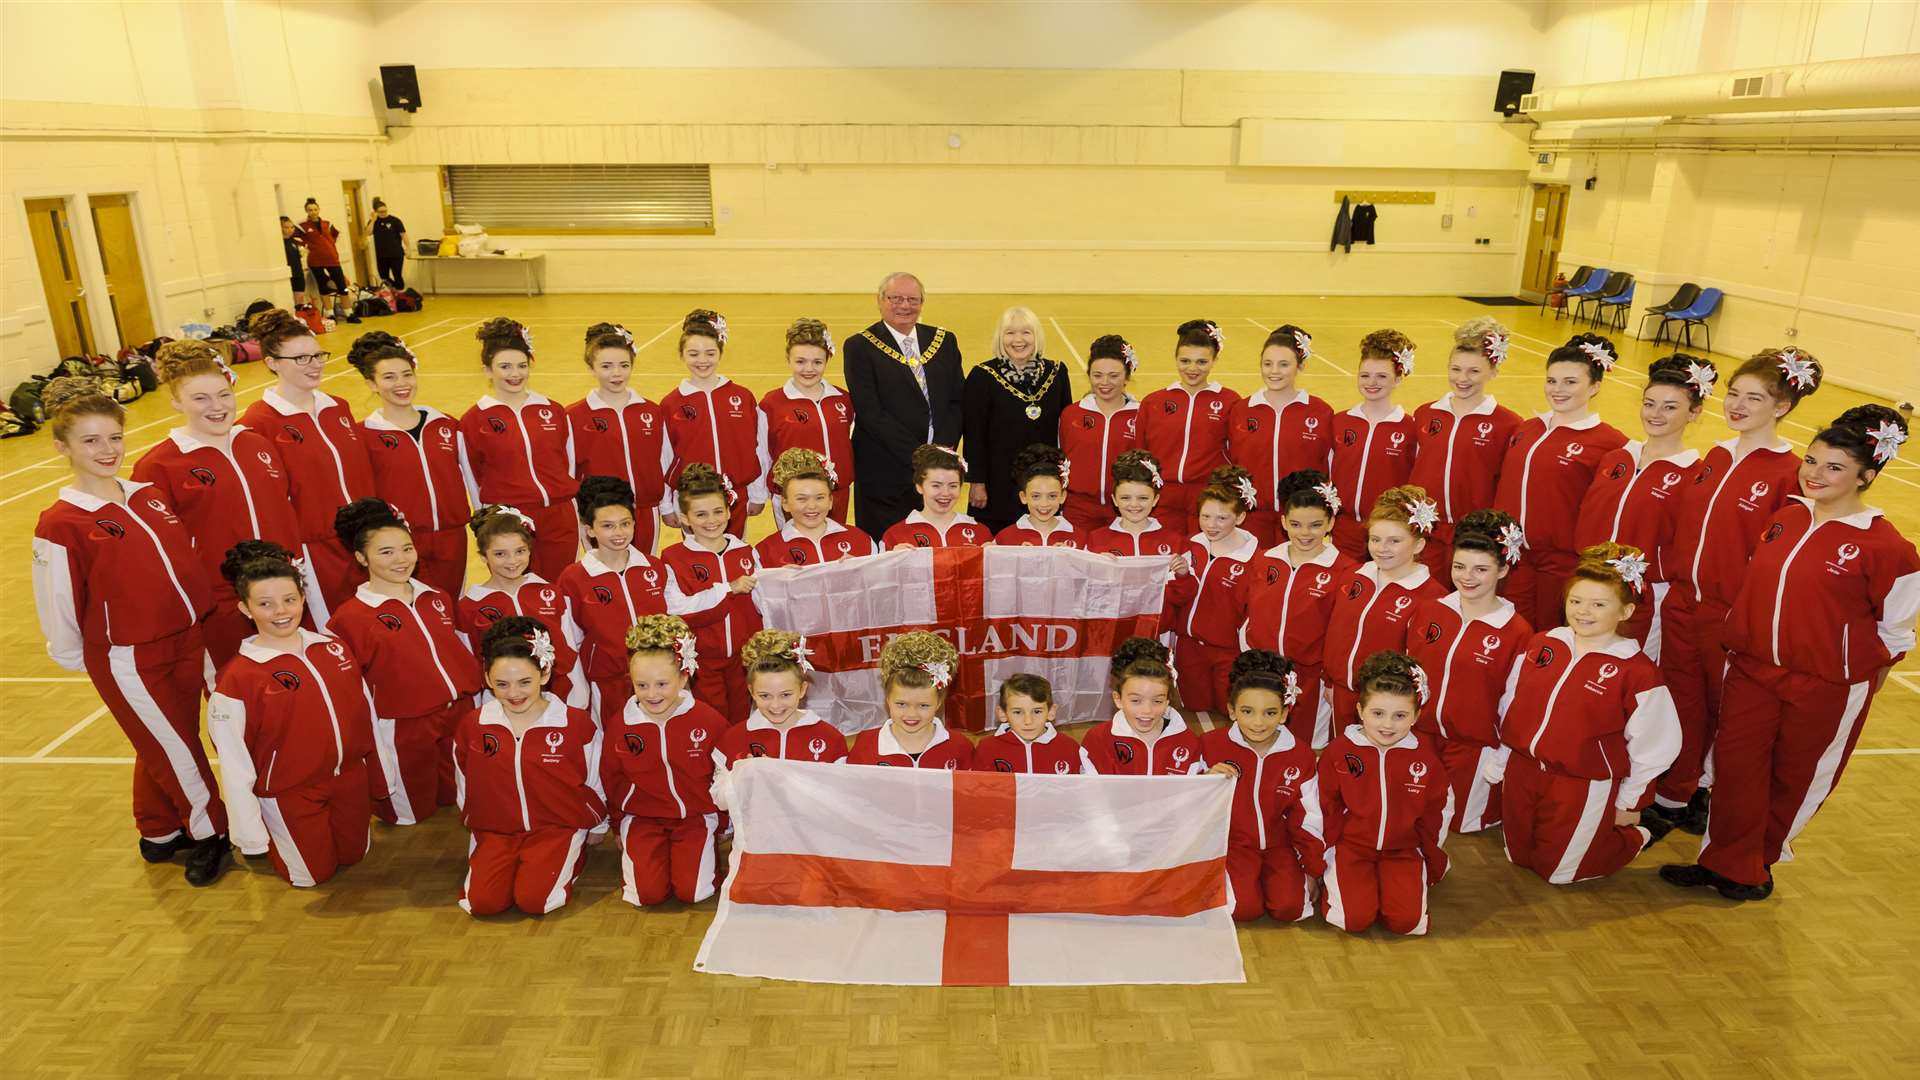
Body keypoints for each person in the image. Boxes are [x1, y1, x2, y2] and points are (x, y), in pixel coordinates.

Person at [1663, 405, 1919, 902]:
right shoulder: (1785, 516)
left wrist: (1854, 678)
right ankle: (1721, 859)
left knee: (1794, 776)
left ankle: (1757, 863)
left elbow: (1896, 631)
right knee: (1737, 769)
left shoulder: (1888, 548)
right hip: (1753, 670)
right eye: (1812, 461)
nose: (1815, 474)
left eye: (1834, 467)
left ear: (1866, 477)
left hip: (1823, 685)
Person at [31, 376, 228, 886]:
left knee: (166, 739)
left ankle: (159, 831)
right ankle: (212, 833)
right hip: (130, 658)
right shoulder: (61, 521)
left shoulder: (147, 496)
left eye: (114, 437)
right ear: (63, 447)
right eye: (90, 440)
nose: (107, 450)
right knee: (176, 748)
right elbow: (57, 600)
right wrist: (80, 655)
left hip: (189, 639)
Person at [1650, 347, 1823, 832]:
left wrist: (1744, 612)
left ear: (1782, 406)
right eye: (1733, 394)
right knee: (1682, 699)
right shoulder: (1716, 456)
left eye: (1754, 397)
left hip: (1731, 614)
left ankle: (1709, 791)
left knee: (1726, 711)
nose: (1738, 405)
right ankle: (1673, 793)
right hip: (1685, 601)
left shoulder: (1787, 472)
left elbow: (1779, 558)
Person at [1490, 543, 1680, 885]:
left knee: (1560, 873)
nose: (1583, 612)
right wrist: (1502, 756)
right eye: (1575, 601)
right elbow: (1511, 702)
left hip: (1580, 782)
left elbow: (1655, 745)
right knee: (1518, 857)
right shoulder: (1543, 643)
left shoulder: (1637, 673)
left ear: (1624, 611)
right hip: (1524, 770)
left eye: (1598, 604)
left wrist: (1630, 802)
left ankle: (1636, 837)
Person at [207, 541, 383, 888]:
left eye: (289, 600)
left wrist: (381, 774)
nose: (281, 611)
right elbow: (234, 762)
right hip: (290, 792)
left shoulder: (332, 648)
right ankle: (279, 836)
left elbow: (367, 715)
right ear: (245, 608)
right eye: (265, 604)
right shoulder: (237, 679)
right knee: (312, 877)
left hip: (347, 778)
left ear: (303, 597)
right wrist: (249, 833)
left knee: (354, 855)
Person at [132, 339, 301, 667]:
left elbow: (284, 511)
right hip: (220, 605)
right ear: (175, 402)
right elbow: (157, 551)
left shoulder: (256, 443)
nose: (217, 406)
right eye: (200, 398)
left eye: (224, 395)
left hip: (281, 596)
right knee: (234, 689)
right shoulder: (158, 466)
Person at [326, 499, 481, 826]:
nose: (400, 559)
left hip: (456, 711)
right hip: (405, 722)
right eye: (385, 552)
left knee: (457, 798)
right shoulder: (349, 617)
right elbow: (352, 689)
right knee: (409, 815)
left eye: (406, 548)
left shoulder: (435, 596)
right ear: (360, 557)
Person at [451, 616, 606, 917]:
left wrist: (597, 824)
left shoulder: (574, 724)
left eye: (525, 682)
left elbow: (595, 777)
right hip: (497, 829)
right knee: (481, 904)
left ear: (544, 673)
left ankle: (574, 850)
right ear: (487, 680)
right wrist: (478, 823)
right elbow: (464, 783)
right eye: (502, 684)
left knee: (536, 901)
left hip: (557, 826)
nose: (514, 694)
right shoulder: (474, 725)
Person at [240, 308, 376, 627]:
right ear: (271, 363)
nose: (314, 365)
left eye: (318, 355)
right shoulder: (257, 423)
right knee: (333, 630)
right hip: (314, 552)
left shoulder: (337, 407)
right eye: (301, 358)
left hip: (362, 542)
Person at [1402, 509, 1532, 834]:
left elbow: (1515, 706)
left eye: (1481, 569)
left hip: (1473, 749)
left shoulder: (1517, 632)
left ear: (1503, 569)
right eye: (1459, 566)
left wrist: (1499, 760)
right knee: (1411, 817)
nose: (1467, 577)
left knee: (1460, 826)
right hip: (1420, 735)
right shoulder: (1430, 610)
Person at [1572, 355, 1712, 652]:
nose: (1655, 414)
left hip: (1642, 594)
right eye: (1649, 403)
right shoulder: (1616, 458)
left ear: (1694, 413)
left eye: (1670, 407)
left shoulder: (1695, 475)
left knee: (1628, 668)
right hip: (1590, 582)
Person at [1493, 333, 1630, 630]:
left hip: (1561, 564)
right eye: (1552, 380)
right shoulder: (1526, 429)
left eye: (1570, 382)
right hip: (1514, 557)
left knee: (1550, 634)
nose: (1557, 389)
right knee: (1509, 629)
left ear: (1595, 386)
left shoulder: (1611, 443)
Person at [1318, 651, 1451, 936]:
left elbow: (1436, 813)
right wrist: (1324, 855)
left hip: (1402, 850)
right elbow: (1324, 806)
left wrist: (1431, 858)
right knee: (1352, 920)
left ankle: (1394, 885)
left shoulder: (1426, 761)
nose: (1388, 725)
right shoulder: (1339, 752)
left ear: (1416, 715)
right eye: (1378, 713)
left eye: (1400, 715)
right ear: (1360, 710)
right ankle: (1344, 882)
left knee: (1407, 923)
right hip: (1352, 848)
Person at [603, 613, 726, 907]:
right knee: (646, 896)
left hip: (695, 816)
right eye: (641, 685)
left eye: (662, 684)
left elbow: (724, 772)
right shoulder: (622, 725)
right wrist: (618, 822)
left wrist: (722, 821)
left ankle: (699, 851)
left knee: (694, 892)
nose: (652, 694)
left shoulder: (709, 720)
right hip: (643, 817)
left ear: (684, 676)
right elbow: (611, 777)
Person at [1235, 470, 1357, 749]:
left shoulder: (1346, 570)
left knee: (1305, 748)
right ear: (1283, 522)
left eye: (1315, 525)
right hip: (1262, 670)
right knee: (1258, 741)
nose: (1305, 533)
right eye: (1296, 524)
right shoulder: (1265, 559)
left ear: (1330, 523)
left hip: (1311, 680)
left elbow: (1342, 631)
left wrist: (1328, 677)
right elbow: (1247, 611)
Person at [1199, 650, 1324, 923]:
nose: (1258, 722)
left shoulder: (1300, 755)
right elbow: (1186, 802)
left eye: (1270, 713)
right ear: (1231, 710)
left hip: (1281, 847)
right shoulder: (1210, 746)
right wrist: (1204, 779)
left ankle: (1290, 880)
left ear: (1284, 713)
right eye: (1247, 711)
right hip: (1234, 846)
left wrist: (1314, 870)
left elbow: (1308, 816)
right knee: (1244, 910)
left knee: (1291, 910)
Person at [844, 272, 965, 541]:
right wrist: (921, 456)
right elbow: (870, 412)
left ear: (922, 302)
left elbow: (958, 401)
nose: (904, 305)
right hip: (884, 471)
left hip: (936, 473)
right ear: (880, 301)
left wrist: (941, 452)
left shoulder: (944, 341)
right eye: (895, 298)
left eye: (912, 299)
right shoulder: (860, 346)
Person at [349, 331, 470, 597]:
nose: (401, 384)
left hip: (451, 537)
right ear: (371, 383)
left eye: (407, 374)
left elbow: (470, 476)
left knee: (450, 605)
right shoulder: (363, 435)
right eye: (389, 377)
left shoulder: (445, 424)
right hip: (399, 544)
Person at [458, 318, 580, 580]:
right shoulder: (474, 420)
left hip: (559, 516)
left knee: (561, 589)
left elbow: (567, 464)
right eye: (505, 366)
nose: (515, 374)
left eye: (522, 365)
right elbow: (472, 474)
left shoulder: (553, 410)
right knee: (520, 591)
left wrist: (569, 503)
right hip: (510, 522)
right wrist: (486, 522)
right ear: (488, 370)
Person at [1323, 485, 1447, 728]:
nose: (1381, 548)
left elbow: (1422, 665)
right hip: (1341, 694)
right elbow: (1335, 633)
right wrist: (1330, 682)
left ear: (1419, 545)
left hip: (1388, 708)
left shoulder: (1433, 598)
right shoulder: (1353, 576)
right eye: (1375, 539)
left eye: (1394, 541)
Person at [1408, 318, 1522, 578]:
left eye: (1474, 371)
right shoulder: (1426, 413)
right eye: (1455, 369)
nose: (1462, 378)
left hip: (1474, 535)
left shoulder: (1508, 423)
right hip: (1426, 530)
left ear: (1493, 372)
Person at [555, 476, 670, 725]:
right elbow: (569, 639)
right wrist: (579, 691)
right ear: (590, 530)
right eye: (607, 526)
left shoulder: (655, 568)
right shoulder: (574, 578)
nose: (618, 533)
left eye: (624, 524)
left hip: (658, 679)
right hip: (607, 682)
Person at [456, 505, 589, 710]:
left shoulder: (550, 593)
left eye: (520, 551)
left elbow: (569, 648)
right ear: (483, 556)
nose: (512, 561)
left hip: (559, 696)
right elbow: (471, 666)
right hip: (504, 702)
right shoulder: (469, 606)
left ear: (529, 550)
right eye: (500, 554)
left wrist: (579, 697)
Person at [660, 463, 761, 724]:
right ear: (684, 518)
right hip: (703, 663)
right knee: (711, 723)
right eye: (701, 514)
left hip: (745, 659)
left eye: (718, 511)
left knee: (743, 722)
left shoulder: (747, 552)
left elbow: (769, 601)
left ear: (729, 512)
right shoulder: (673, 558)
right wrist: (729, 588)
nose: (712, 520)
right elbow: (677, 609)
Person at [963, 306, 1073, 532]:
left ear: (1037, 336)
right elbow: (973, 434)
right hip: (996, 486)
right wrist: (977, 482)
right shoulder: (982, 376)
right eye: (1010, 333)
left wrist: (1061, 481)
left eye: (1026, 332)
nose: (1018, 340)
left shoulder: (1057, 373)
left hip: (1044, 490)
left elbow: (1065, 432)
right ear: (1000, 337)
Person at [661, 309, 768, 539]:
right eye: (693, 354)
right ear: (682, 355)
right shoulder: (671, 404)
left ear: (720, 353)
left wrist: (758, 493)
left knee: (734, 558)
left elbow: (757, 447)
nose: (702, 361)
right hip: (692, 498)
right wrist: (666, 504)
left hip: (736, 497)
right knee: (697, 562)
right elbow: (665, 456)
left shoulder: (742, 396)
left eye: (710, 353)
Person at [712, 627, 847, 809]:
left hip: (810, 835)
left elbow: (839, 798)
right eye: (765, 696)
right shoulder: (733, 739)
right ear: (751, 691)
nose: (775, 706)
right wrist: (746, 774)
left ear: (802, 690)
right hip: (755, 837)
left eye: (785, 695)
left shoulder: (830, 738)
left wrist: (788, 778)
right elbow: (720, 802)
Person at [1226, 324, 1335, 547]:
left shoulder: (1320, 411)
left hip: (1301, 520)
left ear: (1300, 366)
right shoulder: (1241, 410)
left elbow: (1329, 467)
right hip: (1252, 517)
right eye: (1267, 364)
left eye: (1283, 364)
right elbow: (1230, 460)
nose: (1274, 371)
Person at [568, 323, 671, 556]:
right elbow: (570, 472)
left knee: (643, 572)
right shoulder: (574, 416)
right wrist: (580, 513)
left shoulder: (651, 411)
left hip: (645, 511)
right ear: (591, 368)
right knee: (603, 577)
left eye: (624, 365)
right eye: (606, 366)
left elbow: (662, 461)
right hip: (599, 514)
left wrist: (665, 506)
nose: (616, 373)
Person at [1170, 466, 1260, 719]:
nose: (1211, 525)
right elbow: (1175, 596)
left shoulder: (1255, 559)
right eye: (1205, 516)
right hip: (1188, 648)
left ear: (1240, 517)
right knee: (1192, 710)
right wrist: (1181, 576)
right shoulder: (1190, 545)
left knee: (1227, 713)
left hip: (1227, 653)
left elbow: (1253, 614)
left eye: (1222, 518)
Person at [1139, 319, 1239, 536]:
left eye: (1202, 362)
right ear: (1175, 359)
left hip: (1207, 498)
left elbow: (1236, 452)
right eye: (1185, 360)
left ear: (1214, 360)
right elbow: (1140, 451)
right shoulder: (1153, 402)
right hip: (1161, 497)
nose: (1192, 369)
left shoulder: (1230, 401)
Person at [1329, 330, 1419, 562]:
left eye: (1382, 376)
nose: (1371, 382)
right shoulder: (1340, 422)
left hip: (1388, 533)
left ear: (1398, 379)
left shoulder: (1411, 428)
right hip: (1344, 529)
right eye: (1365, 375)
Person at [759, 318, 854, 524]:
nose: (809, 369)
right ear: (788, 359)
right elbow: (762, 452)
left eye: (817, 362)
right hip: (794, 498)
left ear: (827, 360)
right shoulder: (772, 403)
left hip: (836, 495)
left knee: (832, 551)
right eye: (800, 361)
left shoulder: (843, 399)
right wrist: (759, 492)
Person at [1080, 637, 1216, 776]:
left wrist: (1210, 778)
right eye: (1136, 700)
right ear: (1118, 699)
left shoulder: (1187, 741)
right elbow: (1087, 793)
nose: (1147, 711)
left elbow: (1195, 791)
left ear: (1168, 700)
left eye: (1157, 701)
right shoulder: (1097, 741)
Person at [847, 631, 973, 768]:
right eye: (901, 704)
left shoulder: (960, 747)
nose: (912, 714)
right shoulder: (865, 746)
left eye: (923, 706)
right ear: (887, 699)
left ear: (939, 702)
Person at [1057, 334, 1140, 533]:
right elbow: (1059, 460)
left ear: (1127, 376)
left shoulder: (1141, 415)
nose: (1105, 382)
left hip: (1126, 511)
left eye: (1114, 376)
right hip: (1078, 511)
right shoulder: (1071, 415)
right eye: (1097, 375)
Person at [754, 448, 875, 568]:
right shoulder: (765, 553)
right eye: (801, 499)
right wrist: (778, 582)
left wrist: (863, 572)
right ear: (785, 503)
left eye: (819, 498)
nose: (812, 506)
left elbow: (883, 584)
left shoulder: (861, 540)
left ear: (830, 501)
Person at [880, 444, 993, 549]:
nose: (945, 493)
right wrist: (893, 564)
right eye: (936, 486)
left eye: (953, 486)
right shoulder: (895, 536)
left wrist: (993, 560)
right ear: (919, 486)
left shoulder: (981, 533)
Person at [973, 674, 1083, 774]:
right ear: (1002, 714)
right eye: (1018, 712)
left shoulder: (1069, 748)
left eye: (1037, 711)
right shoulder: (987, 749)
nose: (1028, 721)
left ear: (1051, 712)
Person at [993, 443, 1079, 547]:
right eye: (1036, 496)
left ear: (1063, 496)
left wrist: (1069, 558)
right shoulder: (1005, 538)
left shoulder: (1080, 538)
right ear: (1023, 497)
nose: (1044, 504)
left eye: (1052, 496)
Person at [297, 197, 351, 322]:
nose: (313, 212)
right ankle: (330, 313)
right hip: (316, 261)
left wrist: (329, 245)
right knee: (323, 287)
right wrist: (305, 247)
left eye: (315, 209)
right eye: (310, 210)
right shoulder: (302, 226)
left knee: (342, 286)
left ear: (319, 209)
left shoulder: (327, 223)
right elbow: (294, 238)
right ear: (306, 211)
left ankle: (349, 313)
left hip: (332, 259)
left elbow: (336, 235)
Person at [369, 198, 408, 290]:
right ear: (375, 212)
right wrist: (373, 220)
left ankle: (400, 292)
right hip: (381, 255)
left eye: (385, 211)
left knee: (397, 274)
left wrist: (408, 248)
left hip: (396, 253)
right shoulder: (374, 222)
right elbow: (368, 232)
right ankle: (394, 289)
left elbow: (403, 235)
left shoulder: (395, 221)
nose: (383, 213)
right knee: (383, 276)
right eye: (381, 212)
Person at [281, 216, 307, 308]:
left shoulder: (294, 241)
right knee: (288, 301)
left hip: (298, 273)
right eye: (286, 227)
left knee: (300, 300)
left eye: (292, 227)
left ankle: (301, 318)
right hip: (289, 275)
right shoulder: (279, 243)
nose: (290, 230)